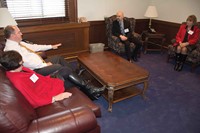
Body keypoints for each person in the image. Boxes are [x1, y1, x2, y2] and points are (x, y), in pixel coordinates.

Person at [3, 25, 105, 100]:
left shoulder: (18, 43)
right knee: (58, 66)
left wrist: (51, 46)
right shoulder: (11, 50)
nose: (21, 34)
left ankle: (75, 74)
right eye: (18, 32)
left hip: (39, 63)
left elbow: (34, 47)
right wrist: (44, 65)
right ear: (12, 35)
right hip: (37, 69)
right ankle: (84, 84)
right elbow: (26, 62)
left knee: (58, 58)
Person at [0, 50, 72, 108]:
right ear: (17, 64)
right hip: (46, 92)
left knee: (65, 70)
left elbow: (36, 78)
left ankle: (83, 84)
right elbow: (34, 100)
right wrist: (55, 98)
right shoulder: (18, 81)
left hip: (45, 82)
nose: (23, 63)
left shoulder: (19, 70)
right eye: (21, 62)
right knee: (70, 80)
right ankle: (83, 86)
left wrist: (50, 77)